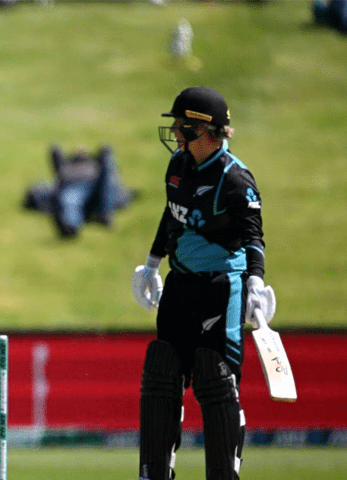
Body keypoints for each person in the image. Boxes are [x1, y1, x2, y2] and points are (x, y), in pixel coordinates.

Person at [131, 86, 276, 480]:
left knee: (215, 378)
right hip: (180, 282)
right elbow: (172, 214)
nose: (174, 131)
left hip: (222, 287)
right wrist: (152, 263)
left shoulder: (235, 178)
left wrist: (256, 283)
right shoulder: (177, 165)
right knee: (161, 373)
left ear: (203, 129)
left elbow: (253, 236)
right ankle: (153, 473)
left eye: (181, 124)